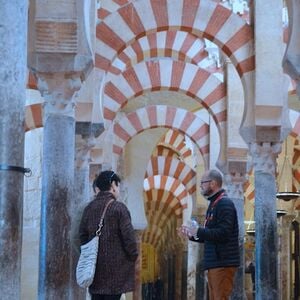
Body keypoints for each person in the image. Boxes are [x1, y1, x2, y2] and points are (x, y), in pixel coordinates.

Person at [180, 169, 240, 300]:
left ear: (213, 183)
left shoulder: (224, 203)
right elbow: (210, 236)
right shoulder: (214, 204)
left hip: (223, 262)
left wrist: (198, 231)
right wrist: (192, 235)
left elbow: (224, 233)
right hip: (216, 262)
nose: (201, 186)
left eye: (203, 182)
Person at [79, 170, 138, 300]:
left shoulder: (89, 209)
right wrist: (132, 256)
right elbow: (130, 240)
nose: (118, 190)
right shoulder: (119, 208)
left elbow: (82, 236)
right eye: (118, 186)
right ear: (112, 185)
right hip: (116, 276)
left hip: (94, 273)